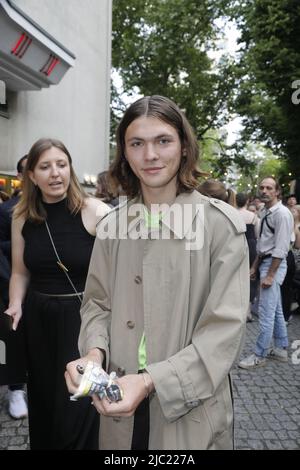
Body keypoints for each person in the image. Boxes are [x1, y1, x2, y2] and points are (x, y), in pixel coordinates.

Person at [65, 95, 249, 450]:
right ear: (125, 153)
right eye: (137, 143)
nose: (150, 155)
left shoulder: (220, 226)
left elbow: (223, 332)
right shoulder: (112, 226)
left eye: (163, 140)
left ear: (183, 147)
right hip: (118, 404)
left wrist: (150, 381)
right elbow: (97, 304)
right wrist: (93, 354)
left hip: (189, 410)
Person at [5, 138, 109, 449]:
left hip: (82, 321)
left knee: (79, 404)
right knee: (46, 401)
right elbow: (21, 272)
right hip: (39, 320)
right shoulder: (22, 217)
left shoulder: (96, 211)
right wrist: (14, 304)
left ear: (70, 169)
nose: (55, 173)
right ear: (32, 175)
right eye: (45, 166)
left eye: (61, 165)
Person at [239, 177, 294, 369]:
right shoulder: (264, 211)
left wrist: (270, 274)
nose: (264, 190)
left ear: (277, 192)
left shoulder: (282, 214)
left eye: (269, 188)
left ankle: (259, 355)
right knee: (276, 309)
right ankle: (280, 349)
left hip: (275, 265)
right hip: (265, 262)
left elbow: (281, 248)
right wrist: (255, 266)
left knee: (266, 312)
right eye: (262, 187)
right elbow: (264, 244)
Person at [0, 155, 28, 420]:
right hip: (11, 284)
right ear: (20, 175)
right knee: (13, 336)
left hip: (49, 287)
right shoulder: (7, 209)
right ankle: (16, 389)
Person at [236, 193, 260, 321]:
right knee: (251, 278)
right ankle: (247, 311)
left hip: (236, 245)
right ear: (247, 201)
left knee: (235, 277)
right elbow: (257, 235)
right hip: (250, 246)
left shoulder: (232, 213)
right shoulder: (253, 216)